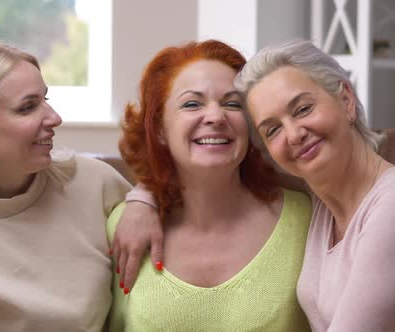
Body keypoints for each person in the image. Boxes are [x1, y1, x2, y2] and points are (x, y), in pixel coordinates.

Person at [232, 39, 395, 331]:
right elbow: (220, 171)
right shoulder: (323, 207)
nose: (293, 134)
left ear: (346, 100)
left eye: (302, 109)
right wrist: (165, 206)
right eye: (272, 129)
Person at [0, 38, 155, 332]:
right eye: (27, 107)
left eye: (45, 100)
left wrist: (145, 198)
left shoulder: (94, 184)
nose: (55, 118)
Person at [106, 39, 312, 331]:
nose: (216, 117)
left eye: (232, 104)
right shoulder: (123, 227)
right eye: (192, 104)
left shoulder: (306, 220)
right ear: (160, 130)